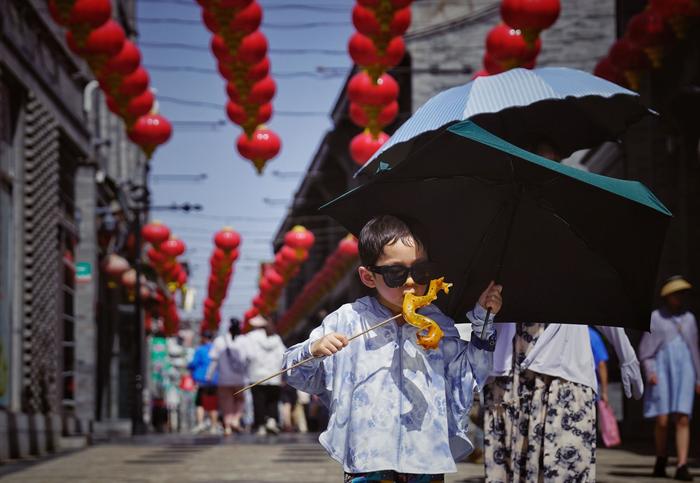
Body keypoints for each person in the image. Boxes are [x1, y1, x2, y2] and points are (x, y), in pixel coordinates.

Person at [283, 214, 503, 482]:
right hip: (368, 457)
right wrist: (314, 350)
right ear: (368, 277)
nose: (411, 282)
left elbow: (469, 375)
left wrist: (483, 319)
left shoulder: (438, 323)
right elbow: (294, 373)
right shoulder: (348, 320)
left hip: (425, 457)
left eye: (420, 271)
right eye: (396, 273)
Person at [639, 276, 700, 481]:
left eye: (682, 293)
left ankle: (682, 464)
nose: (679, 297)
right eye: (676, 293)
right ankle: (661, 456)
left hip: (685, 370)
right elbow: (646, 350)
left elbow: (695, 351)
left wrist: (699, 378)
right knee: (662, 419)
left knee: (683, 417)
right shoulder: (656, 318)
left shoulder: (689, 318)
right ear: (667, 295)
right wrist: (650, 371)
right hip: (662, 369)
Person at [243, 314, 287, 436]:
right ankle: (272, 421)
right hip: (274, 376)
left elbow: (248, 355)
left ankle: (261, 425)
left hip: (256, 375)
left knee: (258, 401)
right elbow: (283, 355)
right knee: (272, 401)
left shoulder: (250, 338)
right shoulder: (276, 339)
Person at [207, 318, 248, 435]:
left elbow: (213, 360)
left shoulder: (219, 341)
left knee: (226, 403)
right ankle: (235, 420)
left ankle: (227, 427)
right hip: (239, 378)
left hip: (224, 379)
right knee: (240, 400)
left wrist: (209, 376)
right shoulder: (243, 340)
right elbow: (249, 358)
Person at [187, 330, 219, 434]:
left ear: (204, 338)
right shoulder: (216, 349)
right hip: (214, 380)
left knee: (200, 403)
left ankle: (200, 424)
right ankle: (214, 426)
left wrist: (188, 366)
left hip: (203, 380)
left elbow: (194, 363)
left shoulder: (200, 350)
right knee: (212, 403)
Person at [589, 326, 610, 402]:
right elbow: (601, 364)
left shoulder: (562, 335)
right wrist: (604, 392)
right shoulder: (592, 335)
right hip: (589, 390)